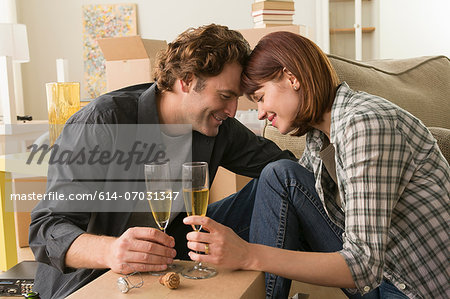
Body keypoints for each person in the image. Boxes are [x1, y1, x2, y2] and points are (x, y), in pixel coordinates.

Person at [29, 24, 295, 298]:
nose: (232, 110)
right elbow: (46, 229)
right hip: (94, 277)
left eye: (236, 99)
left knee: (281, 177)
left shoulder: (217, 127)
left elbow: (288, 172)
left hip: (174, 252)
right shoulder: (103, 121)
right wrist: (112, 251)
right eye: (226, 96)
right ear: (187, 80)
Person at [183, 31, 450, 298]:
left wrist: (249, 255)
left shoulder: (364, 125)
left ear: (291, 77)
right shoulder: (319, 135)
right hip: (386, 276)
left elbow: (362, 266)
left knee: (279, 175)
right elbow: (287, 212)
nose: (261, 113)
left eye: (261, 97)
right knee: (278, 178)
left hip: (412, 290)